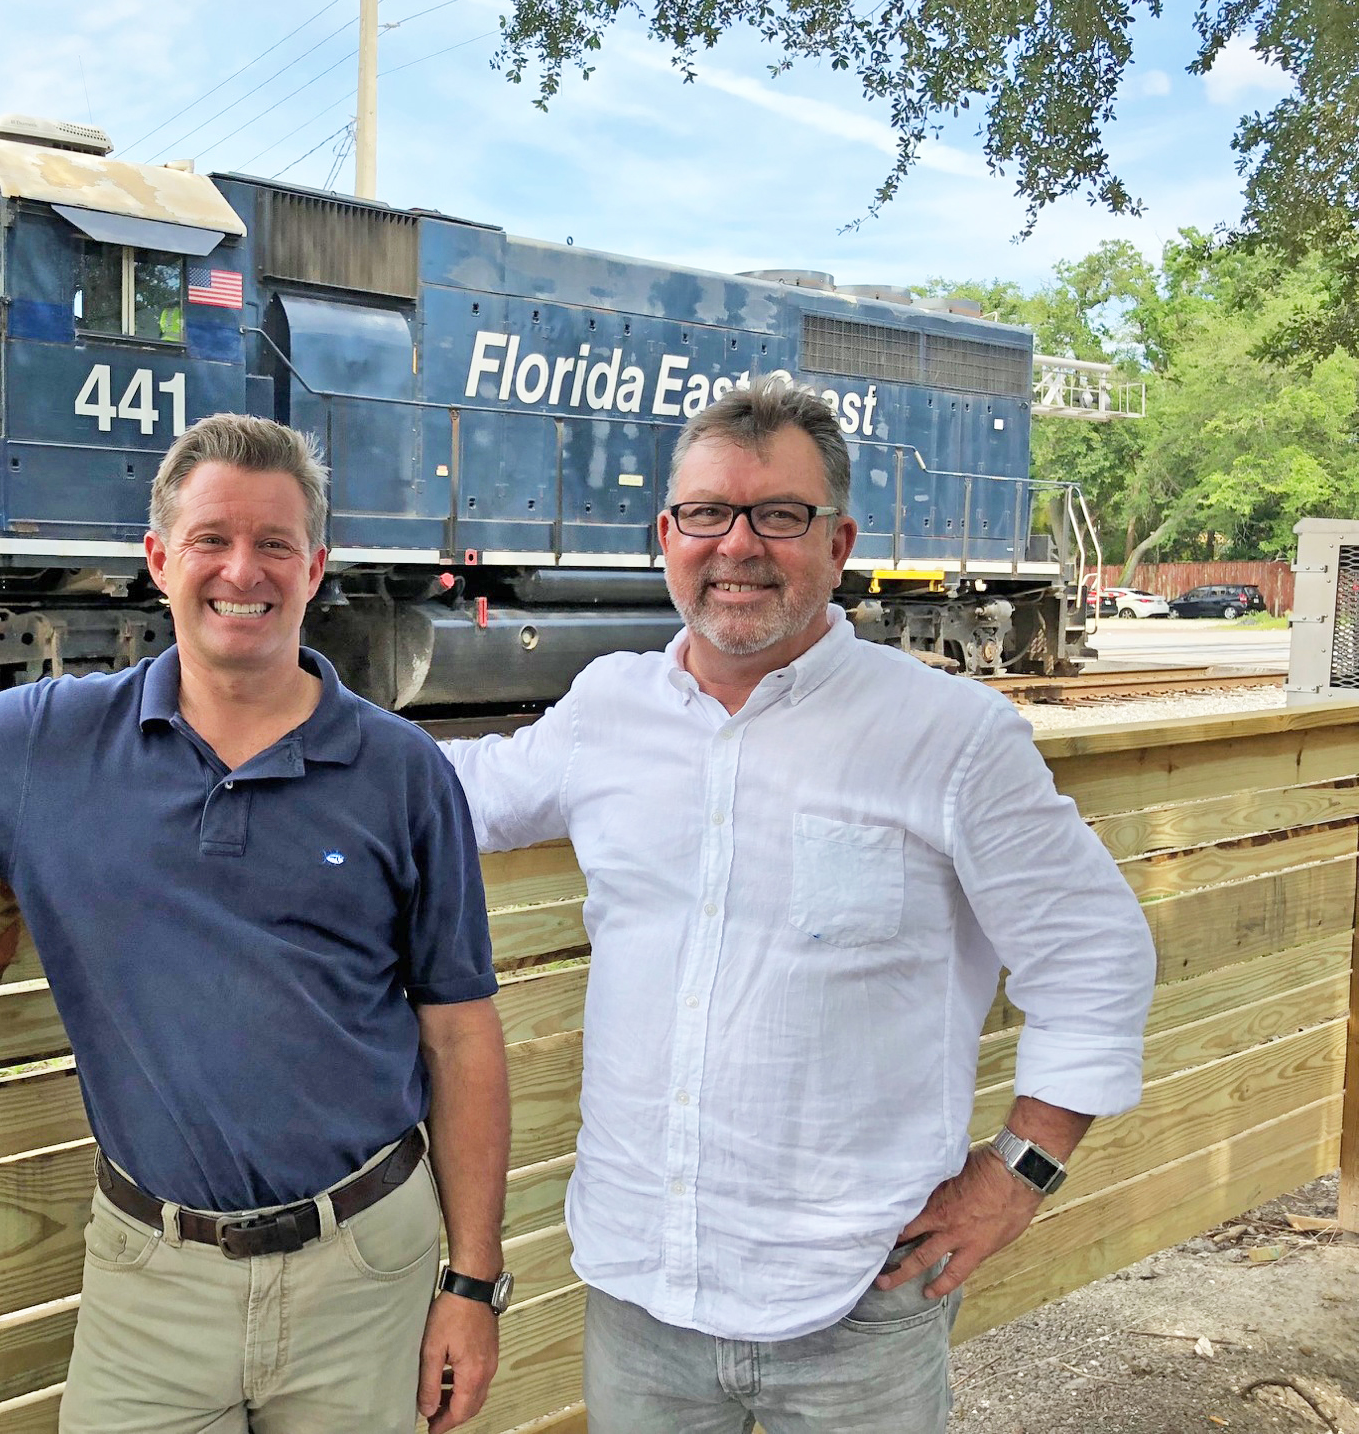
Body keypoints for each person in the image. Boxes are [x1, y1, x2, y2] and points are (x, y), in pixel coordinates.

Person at [438, 377, 1155, 1433]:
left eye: (777, 515)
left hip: (862, 1298)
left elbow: (1091, 952)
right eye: (704, 515)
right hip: (642, 1292)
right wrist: (269, 716)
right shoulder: (605, 710)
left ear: (837, 540)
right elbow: (451, 795)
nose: (737, 545)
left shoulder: (948, 735)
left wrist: (1019, 1172)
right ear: (665, 534)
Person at [0, 414, 513, 1433]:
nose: (240, 571)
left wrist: (470, 1287)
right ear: (159, 559)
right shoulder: (51, 739)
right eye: (211, 539)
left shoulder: (402, 773)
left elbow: (460, 1034)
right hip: (150, 1278)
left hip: (368, 1265)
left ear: (316, 569)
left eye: (273, 544)